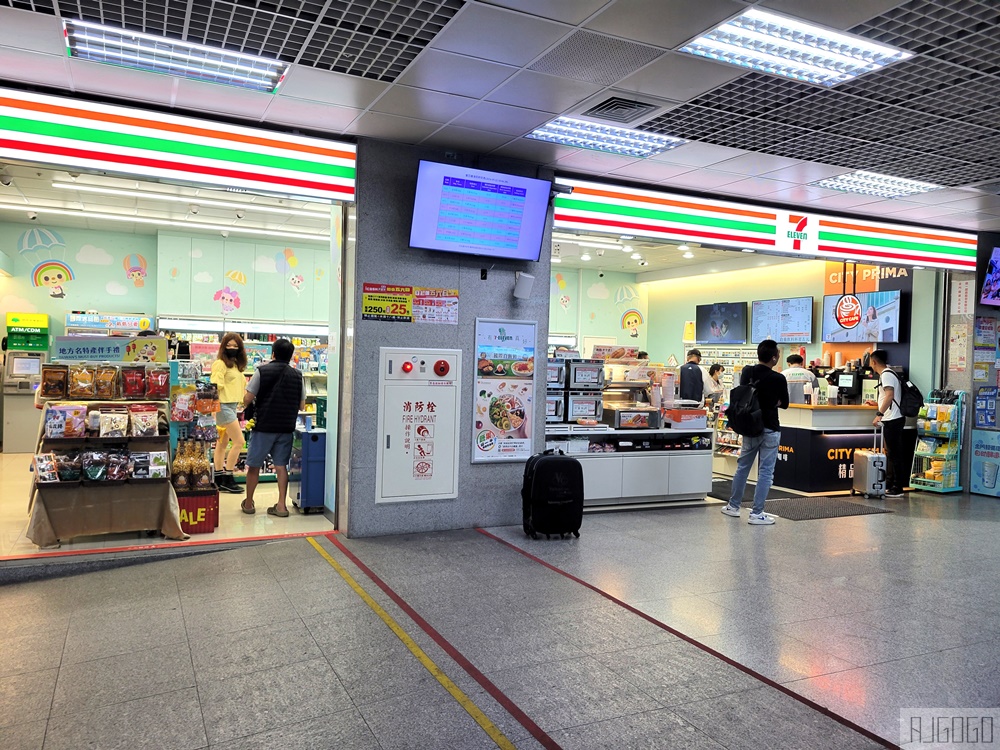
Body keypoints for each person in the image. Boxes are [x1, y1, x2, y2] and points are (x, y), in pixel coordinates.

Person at [721, 339, 789, 525]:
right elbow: (785, 403)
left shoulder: (747, 372)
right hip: (770, 428)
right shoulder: (778, 378)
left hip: (750, 426)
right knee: (766, 471)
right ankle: (757, 513)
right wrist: (773, 402)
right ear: (774, 358)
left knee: (743, 466)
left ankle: (733, 506)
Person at [241, 338, 305, 517]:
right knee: (281, 466)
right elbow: (301, 405)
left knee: (253, 466)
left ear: (273, 354)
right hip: (285, 427)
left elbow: (247, 398)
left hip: (264, 426)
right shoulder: (298, 376)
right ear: (291, 356)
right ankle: (282, 506)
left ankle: (248, 503)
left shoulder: (261, 371)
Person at [211, 333, 247, 494]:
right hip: (223, 406)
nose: (232, 348)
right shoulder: (220, 364)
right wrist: (213, 410)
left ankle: (218, 478)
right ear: (223, 346)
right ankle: (228, 477)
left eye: (235, 346)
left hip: (231, 406)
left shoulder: (236, 366)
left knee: (222, 443)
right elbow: (215, 386)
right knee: (239, 441)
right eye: (229, 345)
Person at [868, 349, 905, 499]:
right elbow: (888, 397)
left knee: (894, 454)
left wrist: (879, 414)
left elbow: (890, 395)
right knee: (890, 453)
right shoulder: (888, 374)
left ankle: (897, 487)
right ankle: (890, 484)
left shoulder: (886, 375)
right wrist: (876, 403)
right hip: (892, 418)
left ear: (873, 361)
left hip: (892, 419)